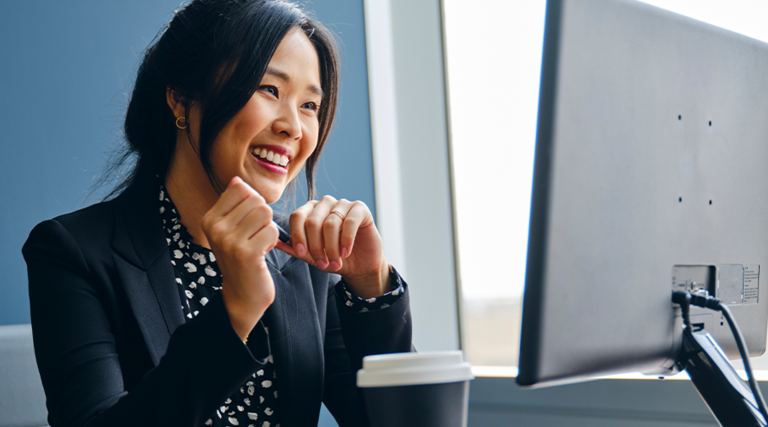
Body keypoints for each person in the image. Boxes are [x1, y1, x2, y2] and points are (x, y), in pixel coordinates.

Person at [21, 1, 412, 426]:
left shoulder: (305, 259)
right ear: (181, 99)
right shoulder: (71, 252)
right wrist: (236, 310)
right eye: (269, 89)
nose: (294, 128)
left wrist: (370, 287)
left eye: (310, 106)